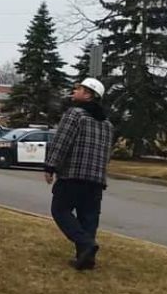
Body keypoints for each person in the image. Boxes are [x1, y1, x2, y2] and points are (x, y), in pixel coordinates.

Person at [44, 77, 114, 270]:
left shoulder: (74, 115)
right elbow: (107, 153)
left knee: (60, 210)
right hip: (96, 180)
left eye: (79, 89)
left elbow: (62, 141)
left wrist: (50, 166)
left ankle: (86, 245)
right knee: (88, 218)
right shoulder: (107, 124)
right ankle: (86, 258)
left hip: (73, 175)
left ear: (89, 95)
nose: (74, 91)